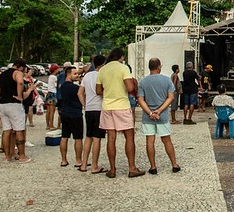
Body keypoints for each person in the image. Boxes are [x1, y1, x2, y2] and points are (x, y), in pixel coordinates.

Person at [96, 48, 144, 178]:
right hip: (122, 105)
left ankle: (112, 169)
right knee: (129, 136)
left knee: (111, 138)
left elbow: (98, 91)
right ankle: (132, 168)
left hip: (107, 106)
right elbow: (129, 88)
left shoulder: (103, 70)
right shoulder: (123, 68)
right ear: (121, 57)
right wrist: (132, 85)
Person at [137, 58, 181, 174]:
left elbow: (140, 99)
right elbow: (170, 97)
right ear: (158, 67)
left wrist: (150, 112)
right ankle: (174, 164)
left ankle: (153, 166)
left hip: (148, 116)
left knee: (150, 141)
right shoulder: (166, 80)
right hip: (163, 115)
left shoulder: (143, 81)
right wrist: (159, 110)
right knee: (166, 140)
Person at [0, 59, 32, 163]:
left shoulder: (2, 74)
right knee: (19, 130)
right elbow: (20, 82)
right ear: (21, 66)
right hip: (14, 104)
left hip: (3, 104)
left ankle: (7, 156)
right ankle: (22, 156)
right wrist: (19, 95)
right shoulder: (17, 73)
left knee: (6, 130)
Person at [78, 54, 107, 174]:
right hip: (99, 109)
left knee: (88, 137)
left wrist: (85, 104)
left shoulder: (87, 76)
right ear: (103, 64)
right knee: (97, 138)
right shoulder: (102, 75)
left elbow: (80, 93)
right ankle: (94, 165)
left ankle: (84, 164)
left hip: (89, 109)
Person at [59, 67, 84, 168]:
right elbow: (82, 92)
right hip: (75, 113)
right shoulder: (75, 88)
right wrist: (81, 82)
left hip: (64, 113)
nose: (77, 75)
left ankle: (64, 160)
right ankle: (78, 160)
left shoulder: (62, 86)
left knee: (64, 137)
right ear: (68, 74)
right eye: (75, 74)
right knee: (78, 138)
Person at [45, 64, 60, 130]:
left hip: (49, 93)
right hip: (53, 93)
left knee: (48, 111)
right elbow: (57, 85)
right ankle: (51, 125)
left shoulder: (50, 76)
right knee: (52, 111)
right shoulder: (54, 77)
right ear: (55, 70)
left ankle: (48, 125)